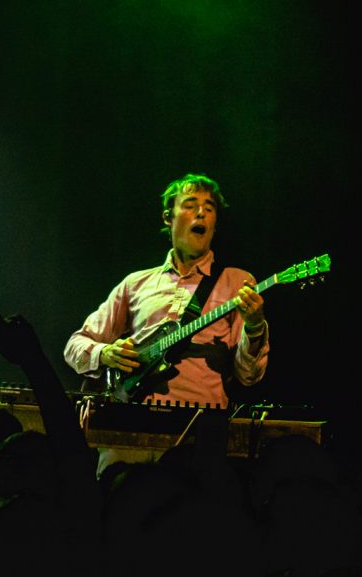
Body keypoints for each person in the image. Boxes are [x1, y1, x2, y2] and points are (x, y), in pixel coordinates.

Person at [64, 173, 269, 411]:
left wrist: (255, 327)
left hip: (199, 425)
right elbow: (75, 344)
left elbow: (249, 376)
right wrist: (106, 353)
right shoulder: (135, 283)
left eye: (209, 208)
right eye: (190, 205)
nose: (201, 212)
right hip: (130, 419)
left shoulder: (237, 282)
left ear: (214, 225)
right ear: (168, 218)